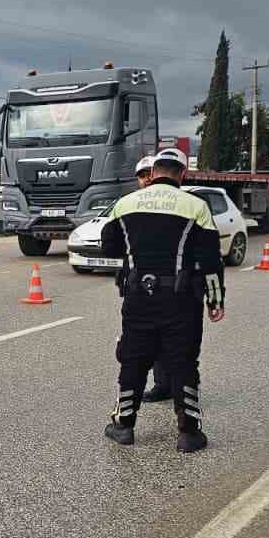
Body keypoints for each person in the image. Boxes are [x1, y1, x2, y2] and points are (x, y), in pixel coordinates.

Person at [99, 147, 225, 453]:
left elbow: (109, 245)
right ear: (182, 174)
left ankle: (123, 426)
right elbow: (210, 259)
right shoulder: (196, 206)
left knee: (134, 358)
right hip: (181, 299)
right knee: (183, 361)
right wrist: (215, 300)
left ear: (153, 173)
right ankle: (188, 433)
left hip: (138, 296)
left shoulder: (125, 203)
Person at [129, 154, 175, 405]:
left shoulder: (172, 203)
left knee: (174, 340)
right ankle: (161, 384)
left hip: (170, 284)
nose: (146, 179)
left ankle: (179, 387)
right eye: (141, 175)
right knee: (148, 340)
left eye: (149, 174)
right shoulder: (132, 203)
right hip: (139, 285)